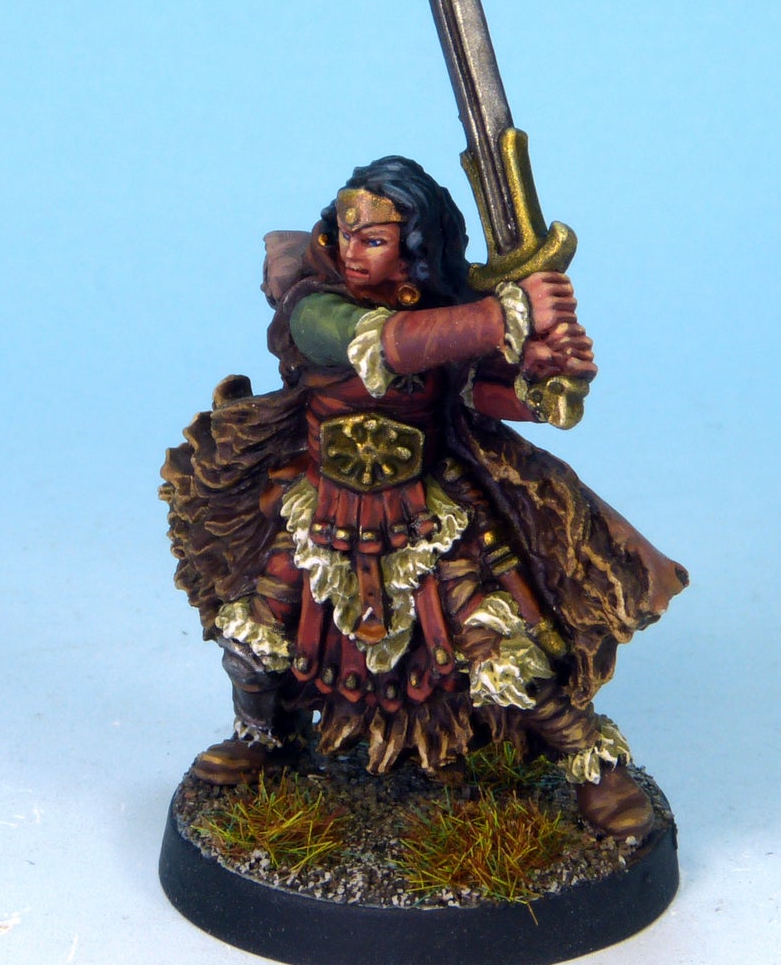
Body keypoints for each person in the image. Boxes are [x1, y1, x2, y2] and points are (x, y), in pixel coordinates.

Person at [160, 156, 687, 838]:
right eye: (346, 233)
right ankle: (263, 735)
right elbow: (382, 344)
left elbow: (478, 393)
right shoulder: (313, 308)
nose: (352, 251)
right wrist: (509, 311)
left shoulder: (447, 314)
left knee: (501, 645)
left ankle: (591, 763)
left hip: (425, 511)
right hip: (320, 505)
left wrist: (545, 378)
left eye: (374, 239)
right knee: (256, 631)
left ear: (413, 250)